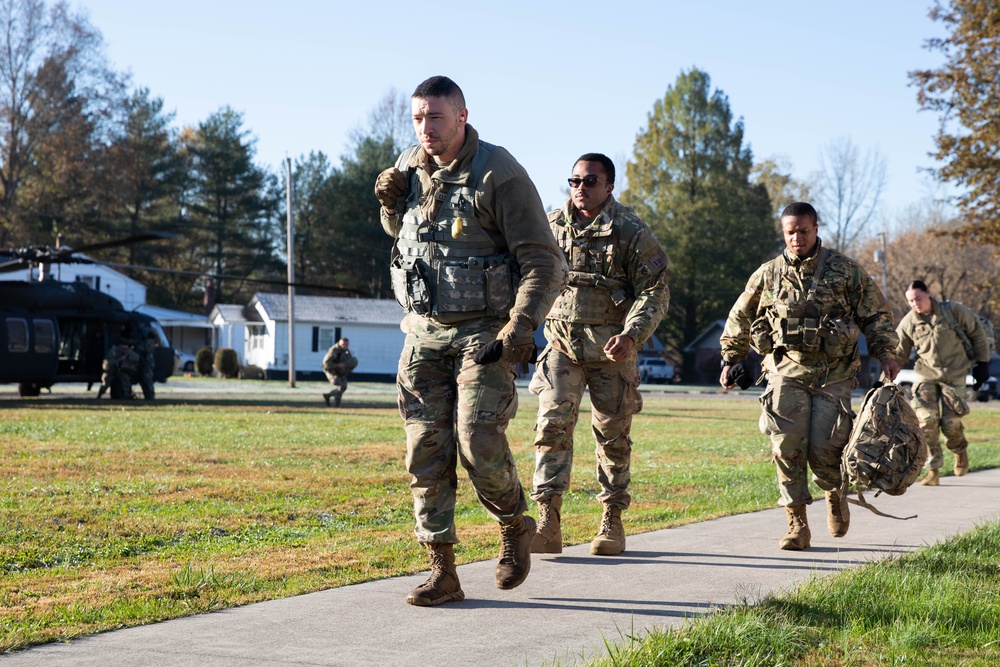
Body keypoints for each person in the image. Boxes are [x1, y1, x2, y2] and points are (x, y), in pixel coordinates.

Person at [374, 75, 567, 607]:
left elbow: (546, 262)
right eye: (417, 118)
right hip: (424, 331)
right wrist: (389, 206)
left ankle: (513, 524)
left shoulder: (498, 173)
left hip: (485, 332)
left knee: (477, 440)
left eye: (435, 117)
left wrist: (519, 327)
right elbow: (406, 237)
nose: (425, 128)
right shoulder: (409, 165)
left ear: (462, 116)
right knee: (424, 450)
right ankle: (443, 571)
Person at [719, 202, 899, 551]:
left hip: (835, 373)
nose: (797, 238)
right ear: (783, 232)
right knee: (787, 446)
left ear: (816, 229)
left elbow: (876, 315)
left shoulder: (846, 271)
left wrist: (886, 354)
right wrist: (732, 358)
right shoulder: (768, 274)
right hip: (785, 370)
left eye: (803, 231)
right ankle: (796, 523)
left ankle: (834, 492)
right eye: (790, 232)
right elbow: (740, 316)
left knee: (826, 449)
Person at [528, 153, 669, 557]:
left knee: (612, 438)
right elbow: (527, 274)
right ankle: (547, 520)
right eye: (574, 181)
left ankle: (611, 520)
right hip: (561, 347)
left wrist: (631, 334)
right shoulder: (550, 227)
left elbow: (654, 290)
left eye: (590, 182)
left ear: (609, 186)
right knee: (551, 429)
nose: (580, 189)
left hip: (613, 351)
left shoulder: (631, 230)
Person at [895, 280, 991, 486]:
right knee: (926, 422)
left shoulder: (953, 311)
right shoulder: (909, 322)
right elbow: (898, 353)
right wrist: (885, 377)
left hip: (955, 374)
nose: (915, 304)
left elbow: (977, 334)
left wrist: (983, 363)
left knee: (950, 424)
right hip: (926, 375)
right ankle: (933, 470)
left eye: (918, 298)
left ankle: (959, 451)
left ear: (928, 294)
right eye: (911, 301)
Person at [321, 338, 356, 407]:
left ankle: (328, 396)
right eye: (343, 344)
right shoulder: (333, 351)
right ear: (340, 344)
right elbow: (326, 363)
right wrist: (338, 365)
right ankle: (336, 404)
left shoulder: (346, 351)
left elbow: (349, 360)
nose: (345, 346)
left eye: (346, 345)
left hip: (340, 371)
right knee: (341, 386)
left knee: (343, 387)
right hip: (331, 371)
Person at [136, 325, 157, 400]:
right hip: (144, 363)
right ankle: (148, 395)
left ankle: (150, 395)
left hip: (147, 363)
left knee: (148, 379)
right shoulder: (146, 341)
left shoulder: (149, 341)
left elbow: (148, 350)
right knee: (144, 380)